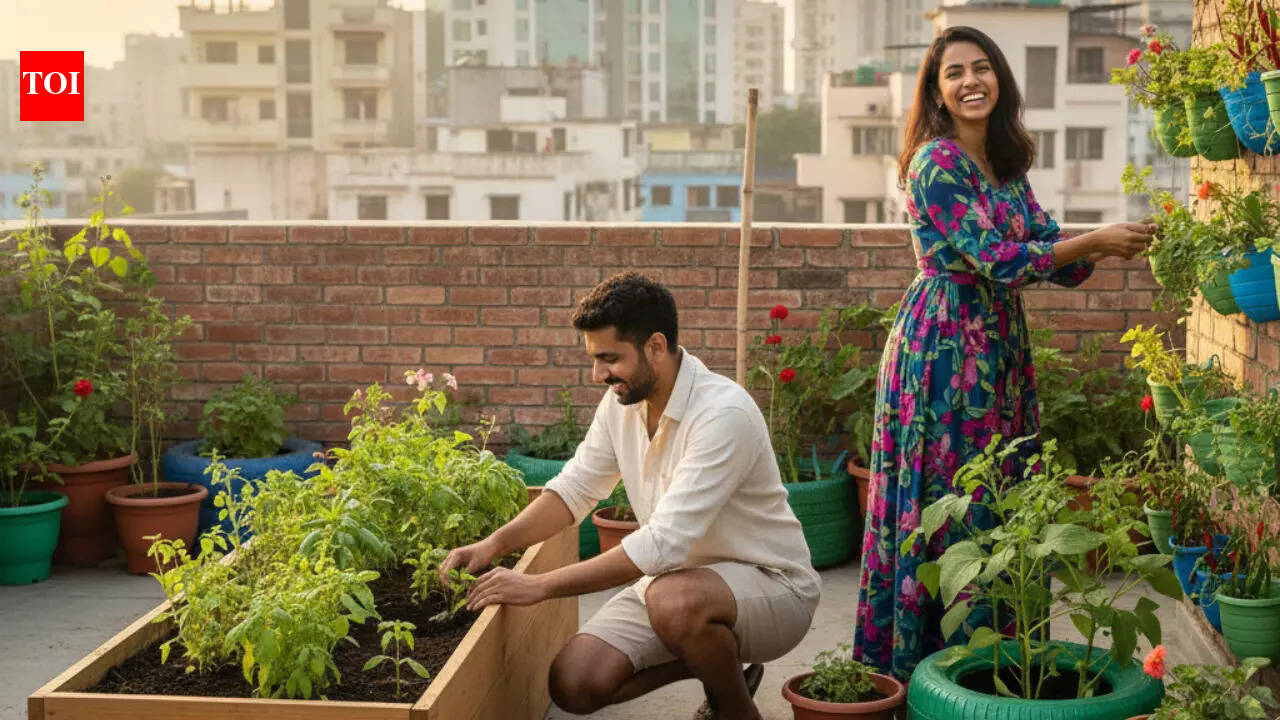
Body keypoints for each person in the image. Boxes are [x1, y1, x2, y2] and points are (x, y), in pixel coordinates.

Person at [852, 25, 1156, 680]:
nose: (970, 82)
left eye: (981, 68)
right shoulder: (936, 164)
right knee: (952, 500)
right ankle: (930, 671)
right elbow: (998, 260)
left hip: (997, 351)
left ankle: (998, 669)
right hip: (942, 350)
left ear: (1001, 81)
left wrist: (1109, 242)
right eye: (954, 72)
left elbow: (1050, 254)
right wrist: (1092, 242)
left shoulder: (1005, 166)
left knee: (1002, 498)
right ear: (936, 93)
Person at [438, 272, 820, 720]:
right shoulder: (623, 405)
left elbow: (660, 545)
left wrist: (538, 586)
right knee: (574, 684)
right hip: (675, 584)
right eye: (594, 359)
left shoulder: (723, 414)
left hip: (772, 587)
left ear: (656, 347)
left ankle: (733, 709)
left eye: (609, 358)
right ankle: (719, 665)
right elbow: (574, 490)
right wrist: (494, 544)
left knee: (675, 602)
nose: (598, 374)